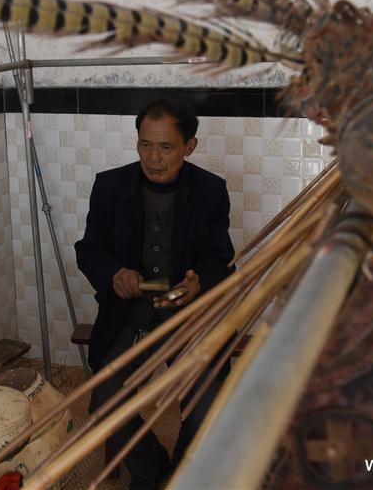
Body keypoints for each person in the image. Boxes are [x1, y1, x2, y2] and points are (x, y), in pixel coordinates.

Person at [75, 99, 236, 490]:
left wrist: (200, 282)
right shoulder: (111, 186)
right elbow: (90, 249)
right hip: (130, 315)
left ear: (189, 146)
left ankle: (180, 474)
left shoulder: (211, 190)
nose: (154, 157)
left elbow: (220, 257)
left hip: (188, 315)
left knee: (208, 400)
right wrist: (115, 274)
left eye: (166, 147)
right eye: (145, 144)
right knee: (106, 400)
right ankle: (150, 474)